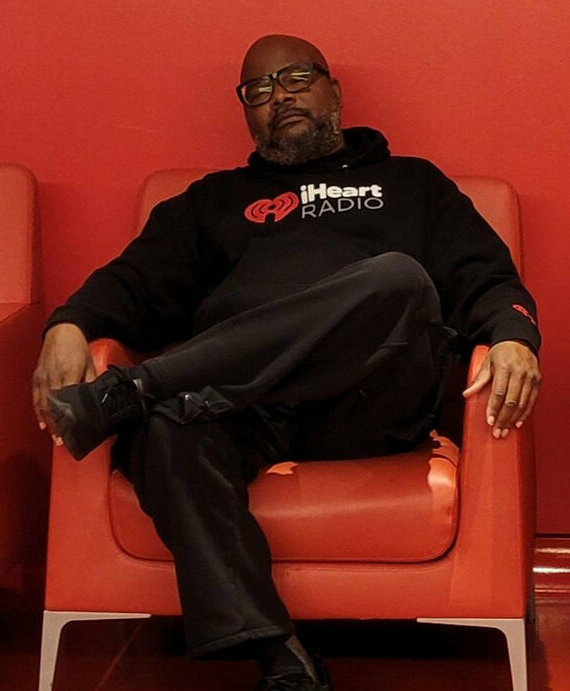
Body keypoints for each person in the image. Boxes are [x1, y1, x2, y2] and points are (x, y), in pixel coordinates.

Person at [32, 34, 542, 691]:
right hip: (247, 405)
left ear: (335, 91)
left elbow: (489, 277)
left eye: (297, 78)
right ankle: (279, 654)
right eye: (260, 90)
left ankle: (136, 388)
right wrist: (69, 322)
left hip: (369, 401)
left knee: (398, 280)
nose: (281, 96)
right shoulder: (213, 201)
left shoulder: (412, 184)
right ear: (247, 112)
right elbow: (132, 281)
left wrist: (513, 335)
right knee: (164, 431)